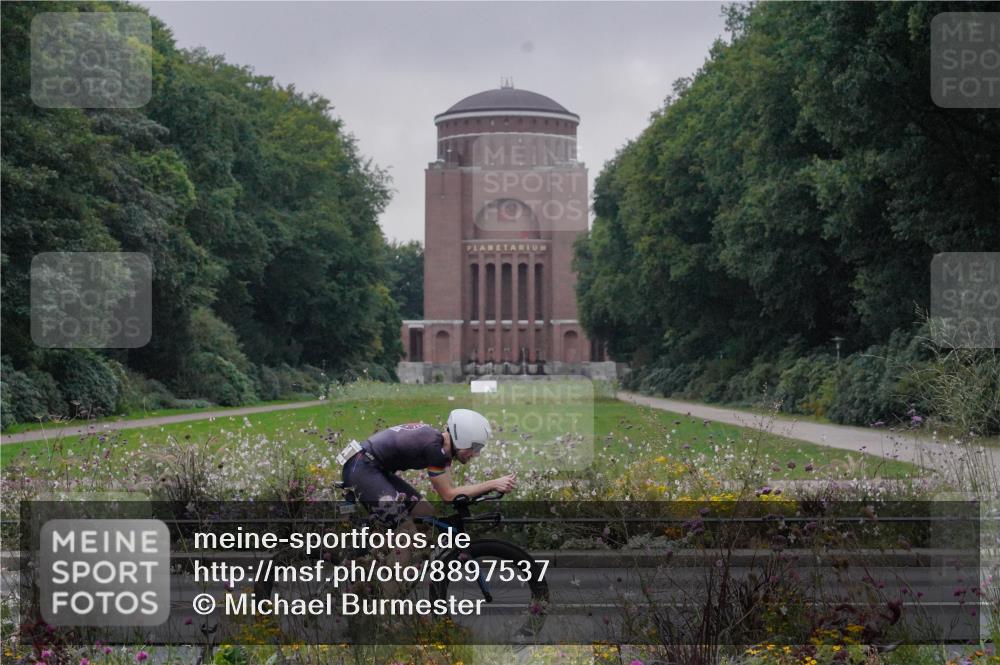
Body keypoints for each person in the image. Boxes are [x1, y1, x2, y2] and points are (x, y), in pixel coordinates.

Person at [337, 408, 516, 525]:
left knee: (426, 514)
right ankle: (388, 583)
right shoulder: (433, 447)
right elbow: (448, 495)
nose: (476, 454)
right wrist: (492, 484)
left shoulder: (441, 448)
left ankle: (396, 567)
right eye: (475, 447)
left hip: (370, 467)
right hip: (362, 468)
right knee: (407, 533)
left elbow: (454, 492)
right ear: (462, 438)